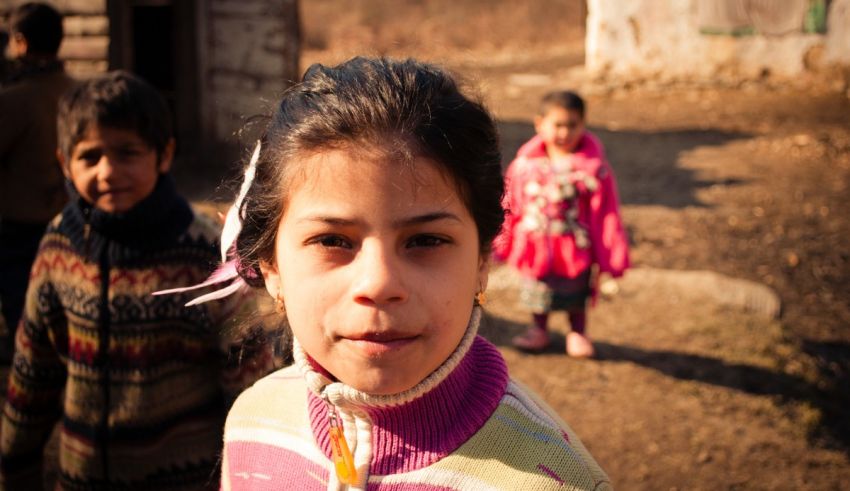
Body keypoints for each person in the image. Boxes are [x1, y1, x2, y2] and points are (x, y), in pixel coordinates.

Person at [197, 57, 611, 490]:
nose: (379, 284)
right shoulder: (252, 424)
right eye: (332, 240)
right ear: (271, 266)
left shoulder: (556, 480)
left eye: (425, 240)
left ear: (482, 260)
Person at [0, 71, 274, 490]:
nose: (108, 172)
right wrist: (15, 466)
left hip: (186, 479)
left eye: (127, 153)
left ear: (164, 155)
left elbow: (246, 373)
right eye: (90, 157)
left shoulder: (201, 253)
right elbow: (33, 369)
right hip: (81, 477)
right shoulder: (59, 246)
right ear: (65, 163)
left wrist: (248, 470)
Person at [493, 90, 630, 358]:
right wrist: (502, 242)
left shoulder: (593, 170)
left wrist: (611, 255)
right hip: (535, 247)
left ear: (583, 124)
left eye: (572, 125)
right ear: (539, 124)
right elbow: (511, 204)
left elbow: (606, 213)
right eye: (558, 125)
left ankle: (577, 332)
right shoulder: (524, 167)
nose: (565, 132)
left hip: (574, 248)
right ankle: (538, 329)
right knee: (538, 291)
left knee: (576, 294)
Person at [0, 3, 75, 361]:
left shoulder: (14, 100)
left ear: (21, 42)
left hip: (21, 225)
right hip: (70, 217)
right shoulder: (75, 91)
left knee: (23, 311)